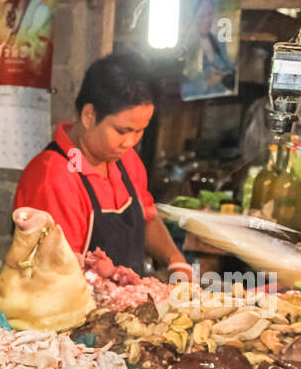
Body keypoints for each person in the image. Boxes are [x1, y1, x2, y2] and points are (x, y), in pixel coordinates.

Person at [13, 51, 190, 276]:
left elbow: (147, 218)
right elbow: (55, 275)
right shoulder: (53, 178)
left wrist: (175, 259)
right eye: (122, 131)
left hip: (124, 303)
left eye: (139, 131)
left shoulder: (127, 160)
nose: (130, 142)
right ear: (88, 115)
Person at [179, 0, 235, 100]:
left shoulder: (219, 43)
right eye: (202, 16)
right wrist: (207, 83)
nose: (207, 20)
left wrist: (221, 73)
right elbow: (181, 88)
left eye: (209, 14)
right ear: (193, 17)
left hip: (220, 99)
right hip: (192, 105)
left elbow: (230, 70)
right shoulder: (184, 46)